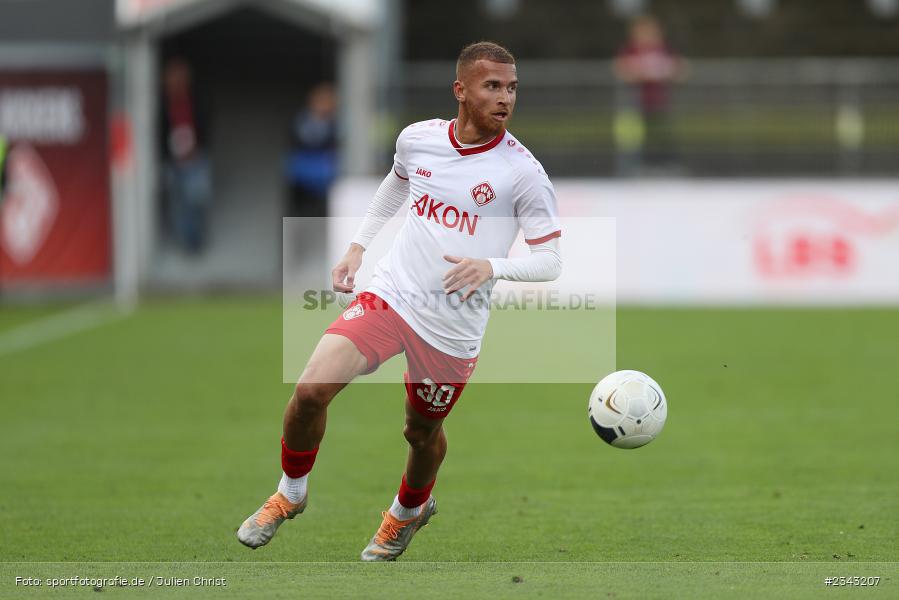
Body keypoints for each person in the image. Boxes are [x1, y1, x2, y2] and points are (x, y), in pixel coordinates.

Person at [237, 41, 563, 561]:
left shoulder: (523, 172)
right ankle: (290, 494)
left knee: (420, 431)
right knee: (310, 390)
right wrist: (358, 246)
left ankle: (408, 511)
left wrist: (492, 266)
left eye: (512, 88)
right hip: (394, 295)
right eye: (493, 86)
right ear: (461, 90)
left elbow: (551, 261)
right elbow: (397, 182)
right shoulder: (419, 139)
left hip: (452, 328)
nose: (505, 98)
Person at [613, 15, 686, 173]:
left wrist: (662, 71)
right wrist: (643, 72)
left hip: (660, 104)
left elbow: (681, 69)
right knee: (633, 138)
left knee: (662, 137)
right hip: (635, 106)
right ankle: (632, 168)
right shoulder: (630, 49)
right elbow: (621, 70)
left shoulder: (663, 49)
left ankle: (667, 167)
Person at [160, 57, 212, 253]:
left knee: (197, 197)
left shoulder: (198, 97)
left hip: (196, 156)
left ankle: (196, 240)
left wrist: (196, 147)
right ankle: (184, 241)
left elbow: (206, 122)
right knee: (176, 200)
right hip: (171, 158)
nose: (177, 81)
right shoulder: (162, 101)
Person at [286, 82, 338, 218]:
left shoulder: (337, 122)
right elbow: (308, 139)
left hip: (328, 179)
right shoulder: (302, 121)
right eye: (321, 101)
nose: (324, 106)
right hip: (303, 179)